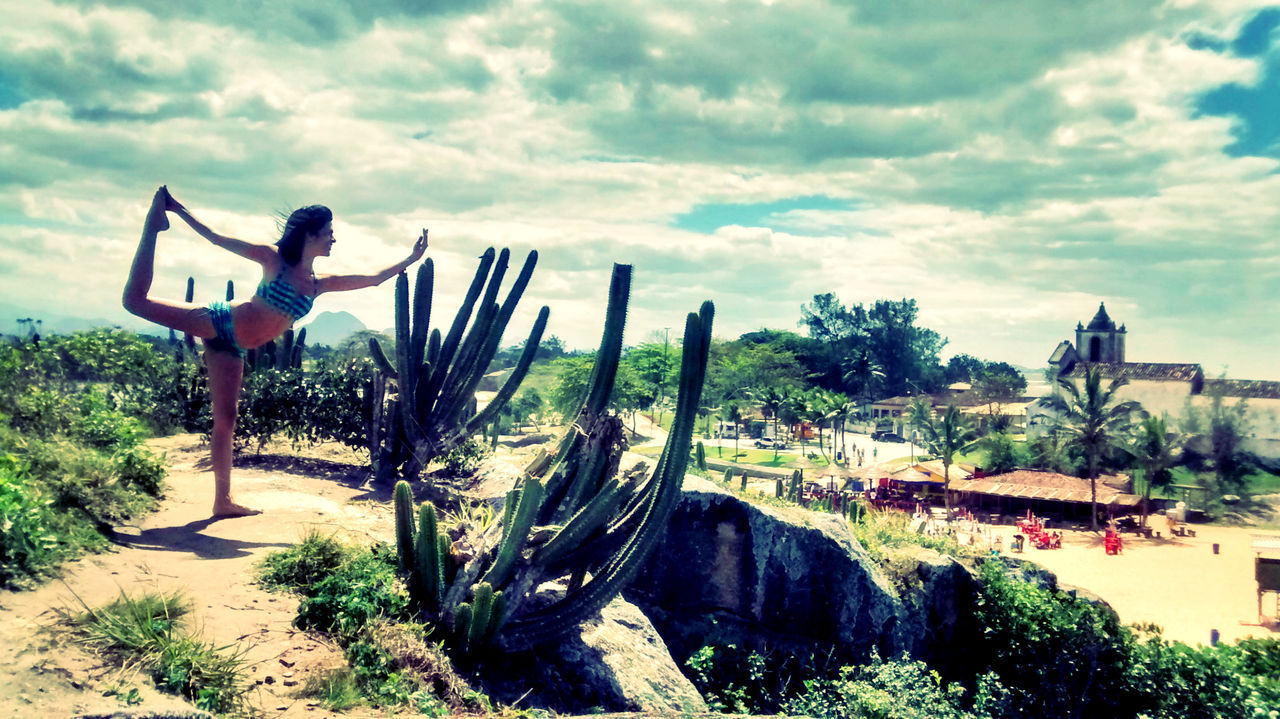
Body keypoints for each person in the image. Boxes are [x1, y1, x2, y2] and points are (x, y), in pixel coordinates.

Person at [123, 187, 427, 517]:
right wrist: (176, 209)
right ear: (310, 234)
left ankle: (222, 501)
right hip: (220, 321)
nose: (333, 240)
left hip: (234, 347)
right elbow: (214, 237)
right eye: (329, 233)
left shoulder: (317, 283)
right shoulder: (273, 259)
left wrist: (411, 259)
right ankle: (153, 226)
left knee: (226, 420)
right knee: (135, 302)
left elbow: (373, 279)